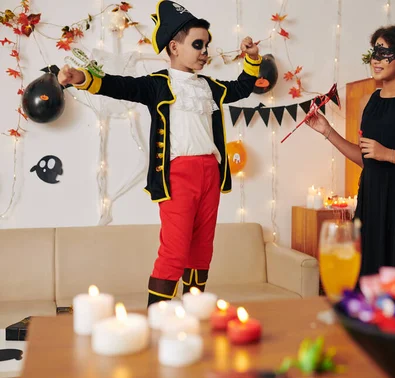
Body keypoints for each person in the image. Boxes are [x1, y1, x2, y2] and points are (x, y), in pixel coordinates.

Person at [58, 0, 262, 306]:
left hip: (211, 174)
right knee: (175, 249)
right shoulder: (157, 85)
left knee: (203, 248)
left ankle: (194, 311)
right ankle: (158, 318)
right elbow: (121, 86)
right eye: (197, 44)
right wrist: (83, 79)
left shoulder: (209, 86)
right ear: (175, 47)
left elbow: (243, 87)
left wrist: (252, 59)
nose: (205, 52)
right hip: (178, 176)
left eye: (207, 45)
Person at [306, 24, 395, 276]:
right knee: (368, 280)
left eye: (385, 53)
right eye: (375, 52)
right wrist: (327, 131)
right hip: (371, 202)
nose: (376, 59)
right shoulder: (370, 101)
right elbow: (367, 159)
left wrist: (387, 154)